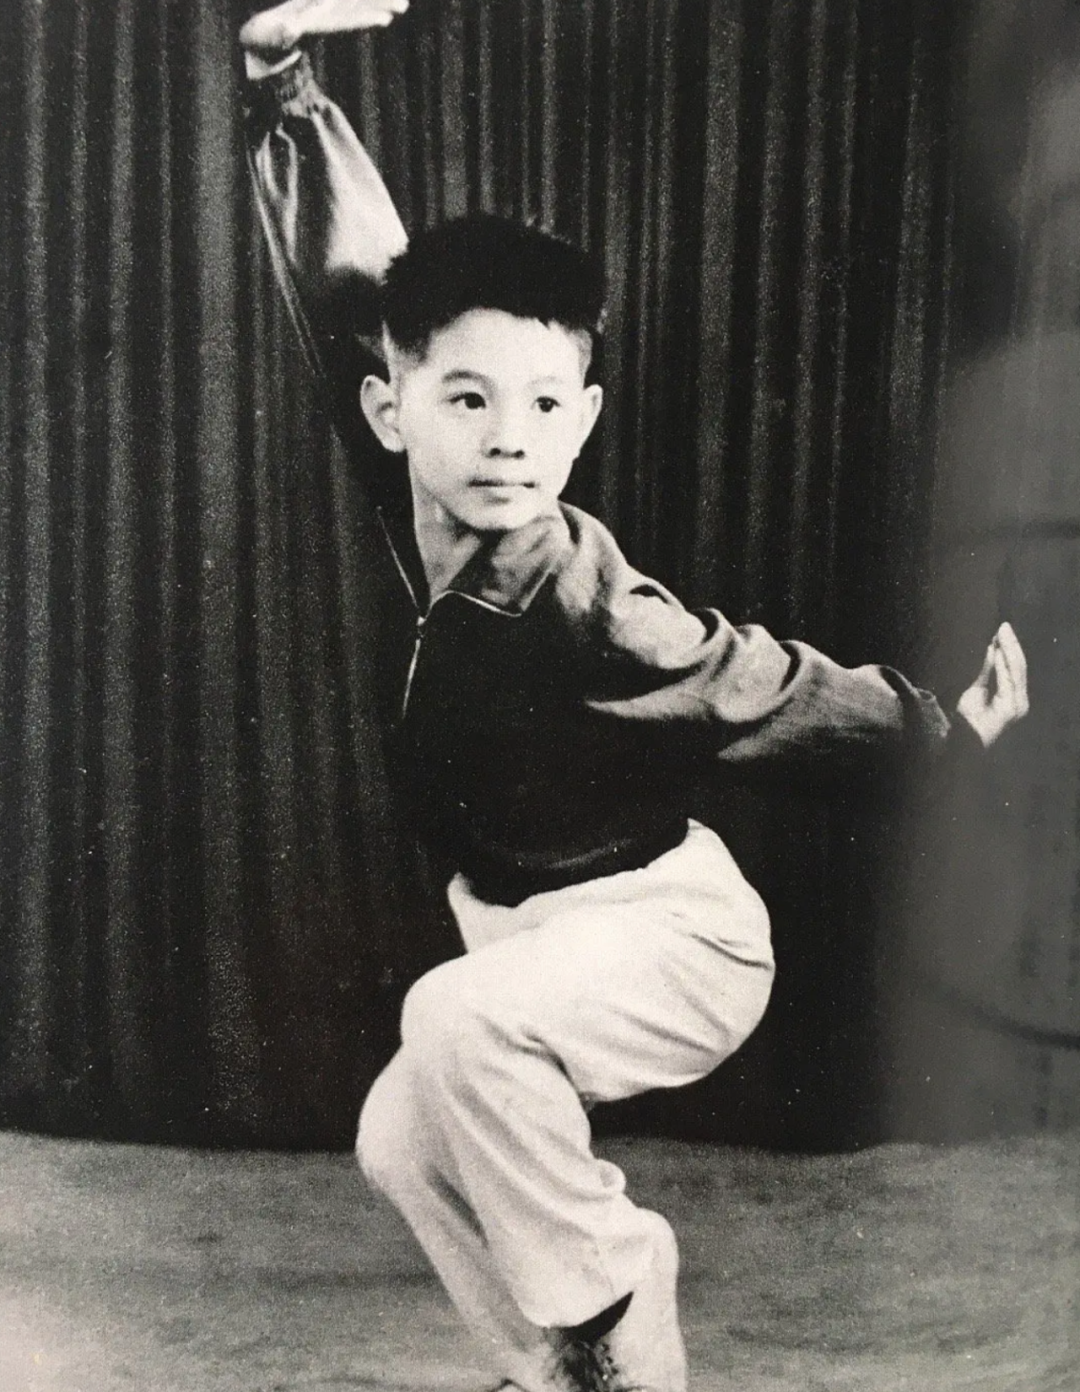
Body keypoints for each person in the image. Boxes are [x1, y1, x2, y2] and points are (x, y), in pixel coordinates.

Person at [237, 3, 1030, 1389]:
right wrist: (282, 85)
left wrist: (944, 731)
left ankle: (608, 1303)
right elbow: (351, 285)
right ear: (390, 410)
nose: (508, 441)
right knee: (397, 1136)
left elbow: (752, 682)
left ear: (586, 419)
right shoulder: (416, 494)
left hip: (674, 938)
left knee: (455, 1021)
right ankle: (556, 1368)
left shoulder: (581, 597)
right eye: (468, 401)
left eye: (546, 408)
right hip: (534, 941)